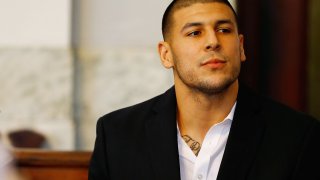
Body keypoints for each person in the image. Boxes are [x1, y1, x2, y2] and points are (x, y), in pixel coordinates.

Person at [88, 0, 320, 179]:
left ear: (240, 48)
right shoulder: (117, 134)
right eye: (194, 33)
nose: (213, 41)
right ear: (166, 54)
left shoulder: (297, 136)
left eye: (224, 30)